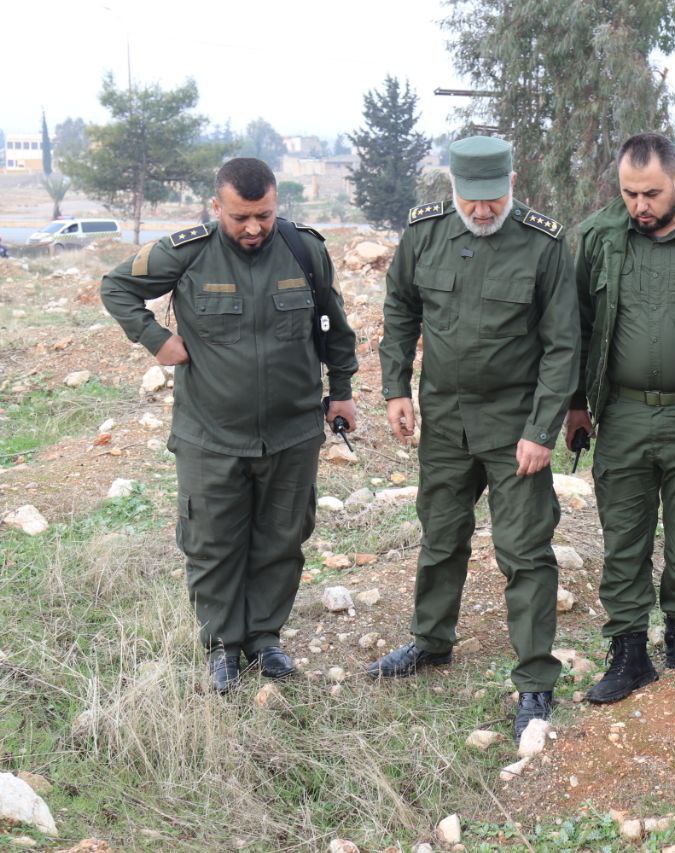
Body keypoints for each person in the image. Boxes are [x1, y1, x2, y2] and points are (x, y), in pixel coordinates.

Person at [100, 157, 358, 693]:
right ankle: (222, 646)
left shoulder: (303, 249)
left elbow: (332, 323)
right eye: (240, 217)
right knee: (213, 543)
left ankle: (265, 640)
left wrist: (342, 393)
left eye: (263, 214)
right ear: (216, 207)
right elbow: (116, 287)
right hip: (209, 435)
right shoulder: (187, 251)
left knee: (282, 537)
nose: (254, 228)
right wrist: (157, 340)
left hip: (291, 431)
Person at [369, 136, 579, 741]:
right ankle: (432, 642)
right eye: (472, 200)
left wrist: (542, 430)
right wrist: (395, 389)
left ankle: (535, 680)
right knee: (440, 533)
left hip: (515, 425)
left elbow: (563, 345)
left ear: (512, 185)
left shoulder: (543, 244)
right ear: (453, 190)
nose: (483, 212)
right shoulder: (425, 233)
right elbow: (400, 309)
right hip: (444, 418)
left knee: (524, 550)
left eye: (495, 199)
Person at [566, 133, 675, 704]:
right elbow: (576, 327)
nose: (639, 205)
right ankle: (628, 651)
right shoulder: (597, 238)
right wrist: (575, 404)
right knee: (625, 541)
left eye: (651, 193)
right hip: (622, 413)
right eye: (629, 193)